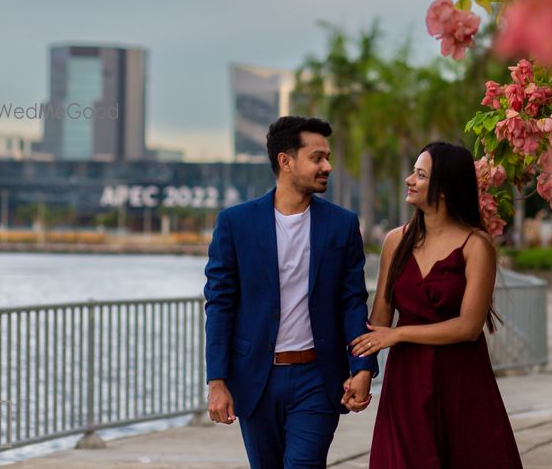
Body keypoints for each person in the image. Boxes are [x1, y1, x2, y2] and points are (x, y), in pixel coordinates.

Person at [203, 116, 379, 468]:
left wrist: (363, 368)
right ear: (286, 161)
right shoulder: (236, 224)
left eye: (327, 157)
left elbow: (352, 303)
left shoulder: (342, 225)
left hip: (318, 377)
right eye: (317, 158)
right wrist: (216, 381)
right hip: (256, 379)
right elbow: (220, 305)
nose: (327, 166)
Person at [352, 141, 523, 468]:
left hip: (461, 377)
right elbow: (379, 322)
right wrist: (359, 373)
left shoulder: (476, 245)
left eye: (420, 174)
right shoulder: (395, 241)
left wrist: (399, 335)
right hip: (406, 380)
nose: (408, 180)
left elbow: (469, 327)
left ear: (443, 188)